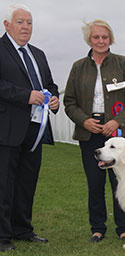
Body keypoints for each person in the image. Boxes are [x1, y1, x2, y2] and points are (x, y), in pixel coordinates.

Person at [63, 19, 125, 242]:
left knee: (123, 183)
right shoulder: (78, 67)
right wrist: (84, 121)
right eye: (96, 37)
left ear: (111, 39)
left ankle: (124, 228)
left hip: (119, 132)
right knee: (95, 183)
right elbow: (69, 101)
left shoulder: (123, 63)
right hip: (90, 131)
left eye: (104, 37)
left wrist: (117, 122)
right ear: (89, 39)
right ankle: (97, 228)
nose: (100, 41)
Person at [0, 4, 60, 252]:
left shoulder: (38, 54)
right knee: (4, 184)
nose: (25, 27)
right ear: (7, 25)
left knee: (27, 182)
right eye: (20, 22)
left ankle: (22, 229)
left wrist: (54, 100)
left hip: (35, 131)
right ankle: (2, 236)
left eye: (29, 22)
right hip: (6, 130)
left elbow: (49, 84)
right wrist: (26, 95)